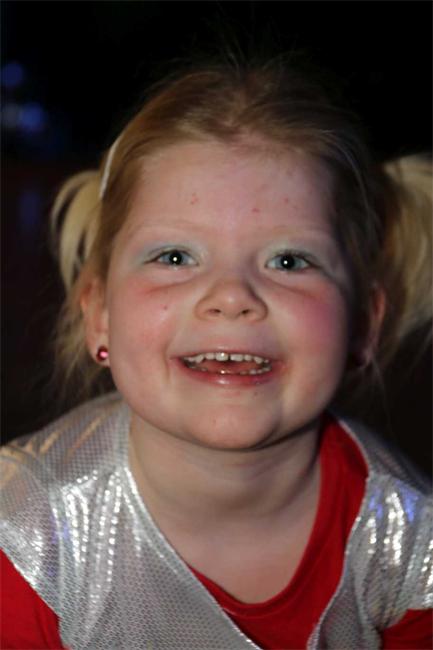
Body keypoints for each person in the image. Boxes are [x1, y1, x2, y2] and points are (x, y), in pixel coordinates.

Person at [1, 56, 432, 650]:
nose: (231, 297)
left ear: (363, 323)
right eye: (175, 257)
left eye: (289, 261)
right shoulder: (25, 536)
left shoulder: (411, 543)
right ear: (99, 313)